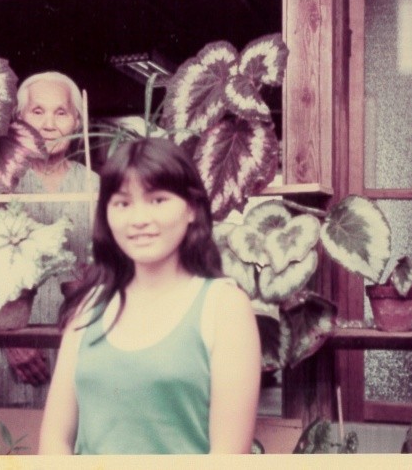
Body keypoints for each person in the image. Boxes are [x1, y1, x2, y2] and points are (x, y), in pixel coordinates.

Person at [38, 138, 261, 454]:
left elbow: (229, 455)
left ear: (192, 208)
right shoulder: (88, 306)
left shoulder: (224, 307)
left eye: (157, 200)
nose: (139, 219)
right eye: (123, 203)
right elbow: (54, 441)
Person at [0, 71, 99, 408]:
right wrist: (10, 341)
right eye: (37, 111)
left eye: (61, 113)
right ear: (19, 120)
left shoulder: (96, 187)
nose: (49, 124)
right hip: (7, 347)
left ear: (77, 122)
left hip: (78, 349)